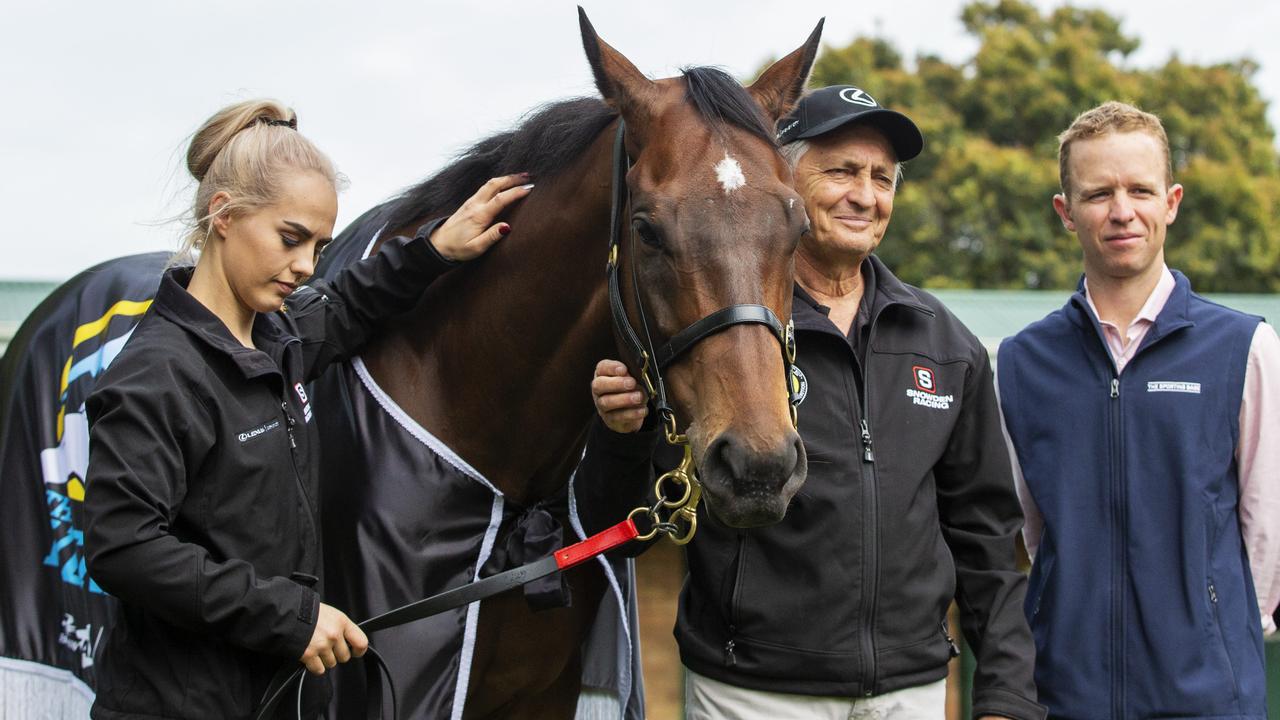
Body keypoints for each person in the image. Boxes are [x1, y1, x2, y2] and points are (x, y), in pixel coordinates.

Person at [579, 86, 1044, 719]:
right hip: (755, 693)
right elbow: (621, 530)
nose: (866, 194)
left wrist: (1007, 699)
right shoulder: (717, 334)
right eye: (843, 171)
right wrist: (620, 432)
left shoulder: (946, 345)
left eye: (883, 178)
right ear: (786, 180)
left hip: (911, 692)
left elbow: (986, 540)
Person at [81, 99, 530, 719]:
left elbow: (348, 302)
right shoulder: (156, 375)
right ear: (223, 215)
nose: (304, 266)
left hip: (275, 699)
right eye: (291, 239)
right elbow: (123, 548)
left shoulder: (278, 335)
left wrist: (433, 252)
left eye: (318, 245)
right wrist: (291, 618)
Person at [997, 101, 1280, 718]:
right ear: (1065, 212)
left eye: (1140, 190)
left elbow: (1268, 526)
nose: (1122, 211)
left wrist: (1216, 636)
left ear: (1171, 202)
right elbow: (1026, 533)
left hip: (1209, 697)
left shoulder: (1246, 349)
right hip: (1065, 695)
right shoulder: (1023, 363)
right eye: (1098, 193)